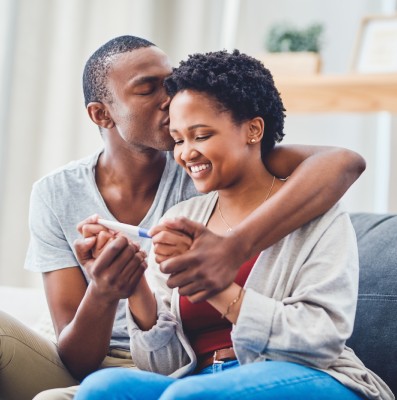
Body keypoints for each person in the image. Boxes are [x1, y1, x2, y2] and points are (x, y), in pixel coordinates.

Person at [0, 36, 366, 400]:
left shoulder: (285, 196)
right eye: (179, 139)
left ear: (253, 131)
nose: (169, 98)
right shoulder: (182, 211)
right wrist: (121, 288)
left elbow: (341, 162)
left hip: (283, 371)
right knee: (101, 389)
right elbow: (159, 359)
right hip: (181, 371)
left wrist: (227, 258)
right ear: (101, 114)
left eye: (201, 134)